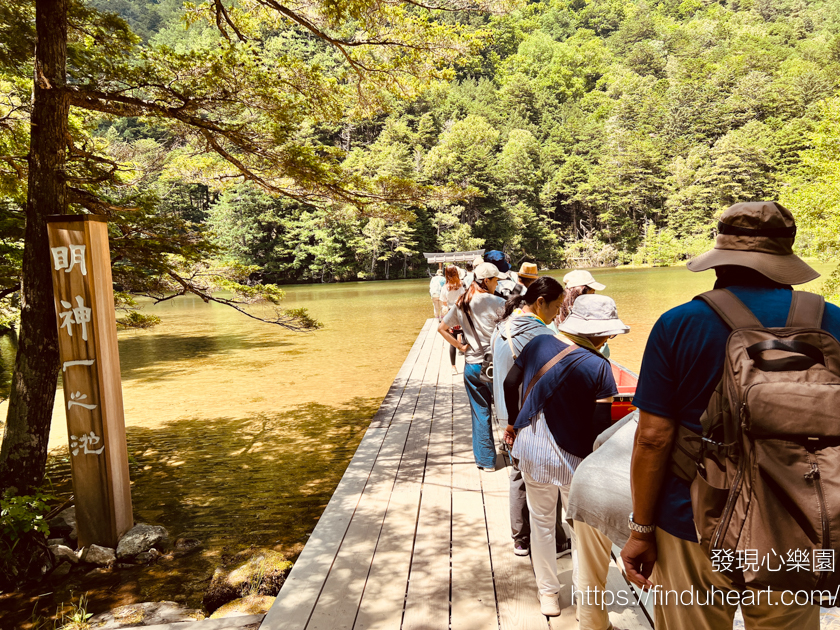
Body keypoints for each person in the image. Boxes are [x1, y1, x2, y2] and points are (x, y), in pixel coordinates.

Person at [620, 201, 840, 630]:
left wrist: (642, 530)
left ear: (720, 258)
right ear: (784, 260)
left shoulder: (679, 323)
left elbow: (652, 439)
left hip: (692, 520)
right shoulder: (832, 321)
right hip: (796, 522)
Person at [504, 294, 629, 616]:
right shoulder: (600, 366)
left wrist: (512, 422)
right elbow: (600, 426)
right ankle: (585, 600)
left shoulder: (538, 343)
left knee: (542, 522)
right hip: (574, 457)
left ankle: (548, 594)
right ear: (602, 333)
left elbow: (509, 381)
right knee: (580, 530)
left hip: (530, 447)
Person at [490, 277, 566, 558]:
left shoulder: (502, 325)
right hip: (528, 414)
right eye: (557, 307)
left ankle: (520, 539)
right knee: (548, 472)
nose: (558, 313)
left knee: (518, 473)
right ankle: (555, 540)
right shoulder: (541, 335)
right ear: (540, 302)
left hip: (505, 412)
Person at [567, 411, 637, 630]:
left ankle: (595, 626)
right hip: (629, 495)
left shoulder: (642, 410)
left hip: (586, 483)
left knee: (591, 577)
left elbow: (600, 441)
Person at [439, 262, 505, 470]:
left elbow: (442, 328)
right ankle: (515, 455)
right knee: (508, 410)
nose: (498, 283)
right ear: (487, 281)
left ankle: (486, 462)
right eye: (496, 280)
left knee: (480, 412)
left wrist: (460, 345)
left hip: (473, 366)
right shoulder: (498, 302)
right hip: (497, 365)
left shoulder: (462, 302)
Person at [552, 270, 610, 358]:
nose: (594, 297)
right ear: (581, 293)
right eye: (593, 292)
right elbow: (603, 352)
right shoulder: (587, 317)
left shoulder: (554, 314)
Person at [440, 265, 467, 373]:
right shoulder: (461, 285)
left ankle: (453, 367)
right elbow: (464, 299)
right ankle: (468, 364)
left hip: (451, 315)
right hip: (462, 314)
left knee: (452, 341)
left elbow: (444, 303)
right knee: (466, 339)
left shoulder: (445, 288)